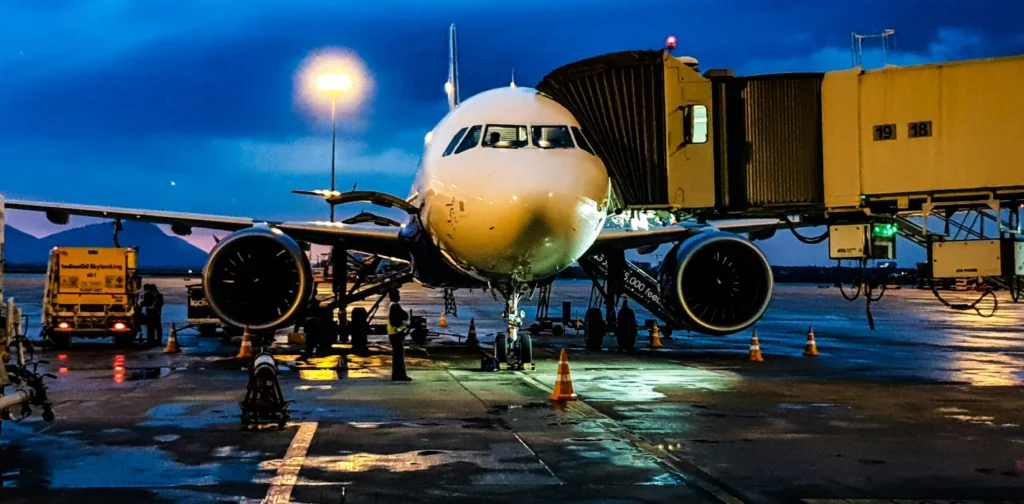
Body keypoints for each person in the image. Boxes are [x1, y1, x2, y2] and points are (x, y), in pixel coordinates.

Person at [386, 289, 411, 381]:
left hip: (393, 333)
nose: (399, 297)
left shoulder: (392, 305)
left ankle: (397, 375)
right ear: (395, 296)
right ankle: (400, 375)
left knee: (397, 355)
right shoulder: (395, 306)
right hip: (396, 333)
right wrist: (401, 327)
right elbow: (396, 320)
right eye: (398, 295)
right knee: (399, 356)